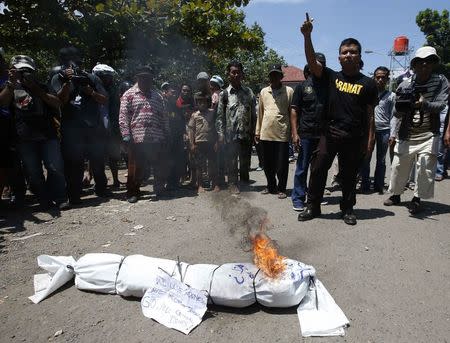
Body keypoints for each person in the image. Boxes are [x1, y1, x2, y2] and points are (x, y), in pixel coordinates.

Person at [298, 15, 377, 225]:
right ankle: (312, 206)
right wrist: (307, 36)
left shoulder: (368, 83)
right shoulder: (332, 76)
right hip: (329, 133)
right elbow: (312, 63)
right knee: (317, 168)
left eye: (353, 52)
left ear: (359, 57)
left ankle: (348, 208)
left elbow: (370, 114)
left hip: (354, 136)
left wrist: (370, 139)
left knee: (349, 175)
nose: (348, 55)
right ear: (339, 57)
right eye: (344, 52)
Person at [384, 46, 448, 214]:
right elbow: (396, 113)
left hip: (429, 133)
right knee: (399, 166)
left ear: (434, 63)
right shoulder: (404, 84)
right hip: (407, 133)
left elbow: (441, 104)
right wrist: (403, 106)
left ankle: (417, 199)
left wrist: (424, 104)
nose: (424, 64)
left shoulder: (441, 81)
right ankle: (396, 195)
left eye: (428, 61)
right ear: (414, 65)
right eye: (420, 61)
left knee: (424, 167)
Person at [0, 55, 69, 210]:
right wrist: (11, 84)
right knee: (33, 171)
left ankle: (59, 197)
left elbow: (57, 103)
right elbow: (2, 103)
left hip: (48, 134)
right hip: (23, 136)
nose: (24, 73)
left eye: (27, 71)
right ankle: (43, 199)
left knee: (55, 167)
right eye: (20, 71)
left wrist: (36, 89)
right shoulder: (9, 87)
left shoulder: (42, 85)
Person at [51, 47, 109, 205]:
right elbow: (58, 102)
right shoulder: (58, 78)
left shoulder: (92, 78)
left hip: (93, 127)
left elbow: (104, 99)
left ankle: (102, 190)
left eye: (78, 63)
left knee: (97, 161)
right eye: (70, 63)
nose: (76, 67)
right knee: (73, 164)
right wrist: (67, 83)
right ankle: (74, 196)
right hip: (71, 129)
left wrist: (91, 92)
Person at [119, 66, 169, 203]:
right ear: (138, 78)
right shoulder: (129, 94)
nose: (146, 80)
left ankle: (159, 189)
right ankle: (133, 191)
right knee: (136, 166)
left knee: (158, 164)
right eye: (143, 78)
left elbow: (164, 116)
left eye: (148, 78)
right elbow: (123, 116)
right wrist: (125, 135)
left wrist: (166, 132)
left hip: (156, 136)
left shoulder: (158, 96)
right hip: (136, 138)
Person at [291, 55, 328, 211]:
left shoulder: (330, 86)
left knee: (319, 168)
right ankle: (298, 198)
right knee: (302, 168)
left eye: (322, 64)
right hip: (306, 133)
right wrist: (295, 133)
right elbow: (294, 110)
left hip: (324, 135)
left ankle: (315, 197)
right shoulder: (301, 87)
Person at [216, 60, 256, 194]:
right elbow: (220, 117)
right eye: (233, 72)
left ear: (242, 74)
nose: (236, 74)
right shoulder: (224, 94)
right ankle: (232, 184)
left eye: (238, 72)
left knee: (245, 161)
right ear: (228, 74)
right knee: (231, 161)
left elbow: (253, 114)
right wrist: (220, 134)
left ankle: (244, 183)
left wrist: (254, 131)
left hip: (246, 133)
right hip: (230, 134)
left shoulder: (249, 92)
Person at [255, 64, 293, 199]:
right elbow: (260, 112)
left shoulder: (288, 91)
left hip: (282, 132)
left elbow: (292, 113)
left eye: (277, 75)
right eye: (272, 75)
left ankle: (282, 188)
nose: (274, 77)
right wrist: (257, 131)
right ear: (269, 77)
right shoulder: (264, 92)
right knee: (267, 163)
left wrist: (294, 132)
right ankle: (271, 186)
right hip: (266, 132)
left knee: (282, 163)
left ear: (281, 77)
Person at [360, 66, 396, 194]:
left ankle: (378, 185)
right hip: (369, 131)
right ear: (374, 78)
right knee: (366, 157)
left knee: (381, 160)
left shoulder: (392, 96)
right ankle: (364, 185)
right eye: (378, 77)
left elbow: (393, 116)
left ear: (387, 79)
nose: (380, 79)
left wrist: (393, 134)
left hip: (384, 131)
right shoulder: (367, 93)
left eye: (383, 77)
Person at [92, 63, 123, 188]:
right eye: (106, 76)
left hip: (112, 127)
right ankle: (98, 183)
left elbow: (117, 108)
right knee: (96, 157)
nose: (109, 79)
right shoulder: (90, 89)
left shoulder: (113, 89)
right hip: (96, 128)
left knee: (114, 155)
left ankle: (116, 180)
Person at [188, 93, 219, 193]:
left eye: (204, 102)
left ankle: (214, 184)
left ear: (208, 102)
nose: (202, 104)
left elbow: (216, 128)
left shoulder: (212, 113)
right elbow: (191, 130)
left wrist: (217, 141)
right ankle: (200, 185)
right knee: (199, 166)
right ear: (197, 103)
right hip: (199, 143)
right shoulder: (194, 115)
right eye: (199, 102)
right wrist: (192, 144)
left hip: (211, 143)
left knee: (213, 164)